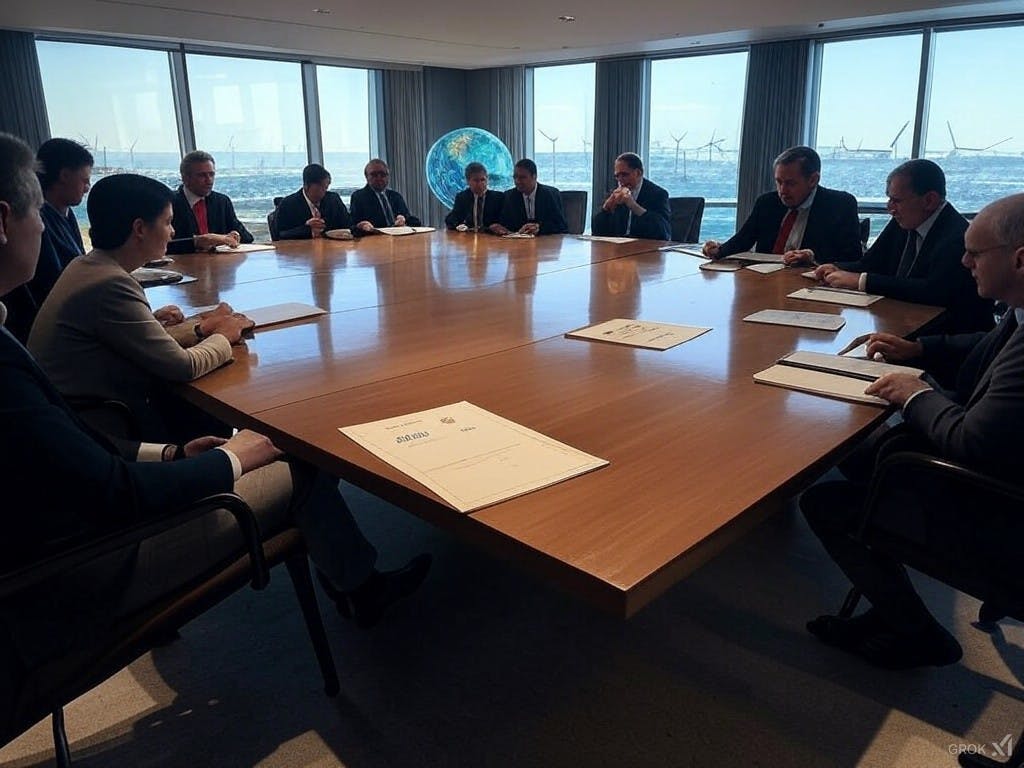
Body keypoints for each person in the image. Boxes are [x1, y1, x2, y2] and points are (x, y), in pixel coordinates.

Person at [0, 133, 432, 663]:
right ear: (4, 221)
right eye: (35, 212)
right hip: (96, 559)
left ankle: (350, 579)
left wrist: (175, 451)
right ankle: (362, 588)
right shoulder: (42, 336)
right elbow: (114, 484)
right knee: (302, 461)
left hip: (106, 472)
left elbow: (80, 447)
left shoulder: (77, 280)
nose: (46, 226)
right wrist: (231, 455)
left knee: (239, 434)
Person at [800, 192, 1024, 670]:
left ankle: (914, 632)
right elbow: (985, 341)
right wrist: (918, 352)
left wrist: (916, 394)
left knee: (825, 501)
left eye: (976, 254)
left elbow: (971, 442)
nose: (964, 263)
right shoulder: (1019, 312)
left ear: (1020, 259)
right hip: (997, 467)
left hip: (1001, 507)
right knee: (860, 448)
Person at [28, 173, 256, 444]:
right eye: (168, 222)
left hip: (74, 417)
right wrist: (225, 334)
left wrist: (200, 327)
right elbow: (183, 367)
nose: (173, 232)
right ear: (139, 229)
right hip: (104, 429)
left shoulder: (87, 266)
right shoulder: (111, 285)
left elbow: (128, 341)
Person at [813, 159, 994, 334]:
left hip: (943, 338)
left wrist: (861, 281)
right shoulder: (904, 220)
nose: (890, 208)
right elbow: (869, 263)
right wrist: (836, 267)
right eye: (889, 199)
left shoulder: (957, 236)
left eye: (897, 201)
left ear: (929, 200)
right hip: (897, 321)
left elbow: (932, 291)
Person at [0, 138, 92, 343]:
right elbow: (54, 284)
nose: (40, 226)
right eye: (35, 210)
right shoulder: (49, 221)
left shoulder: (67, 215)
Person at [702, 146, 861, 265]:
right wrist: (718, 251)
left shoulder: (840, 205)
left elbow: (852, 257)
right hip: (764, 281)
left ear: (813, 180)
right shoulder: (767, 203)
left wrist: (813, 257)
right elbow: (743, 240)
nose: (782, 191)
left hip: (811, 285)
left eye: (790, 183)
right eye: (779, 182)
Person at [167, 150, 254, 254]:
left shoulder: (222, 202)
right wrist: (197, 241)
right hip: (181, 265)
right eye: (202, 175)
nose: (209, 180)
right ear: (185, 178)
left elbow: (247, 238)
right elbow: (159, 244)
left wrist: (236, 236)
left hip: (219, 266)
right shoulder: (169, 203)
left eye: (211, 174)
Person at [591, 152, 671, 240]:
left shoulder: (658, 194)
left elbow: (663, 232)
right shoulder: (617, 194)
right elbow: (597, 232)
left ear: (638, 173)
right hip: (620, 248)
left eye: (624, 175)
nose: (620, 180)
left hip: (646, 247)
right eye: (617, 176)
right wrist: (605, 209)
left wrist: (633, 205)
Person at [274, 163, 352, 240]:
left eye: (326, 187)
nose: (324, 192)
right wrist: (307, 229)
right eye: (320, 188)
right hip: (301, 250)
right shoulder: (288, 204)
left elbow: (348, 224)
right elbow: (280, 235)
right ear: (306, 186)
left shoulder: (333, 199)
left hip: (332, 248)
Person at [493, 158, 568, 236]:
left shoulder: (550, 194)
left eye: (522, 177)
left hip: (545, 243)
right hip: (518, 244)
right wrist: (500, 228)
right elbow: (506, 223)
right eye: (515, 177)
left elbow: (561, 225)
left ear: (534, 177)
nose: (517, 181)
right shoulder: (509, 196)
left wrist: (539, 227)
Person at [350, 158, 422, 234]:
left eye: (383, 174)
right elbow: (353, 226)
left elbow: (409, 219)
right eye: (374, 175)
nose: (379, 178)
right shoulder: (359, 197)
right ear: (366, 177)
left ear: (388, 176)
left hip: (399, 238)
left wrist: (404, 222)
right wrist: (361, 226)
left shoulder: (395, 196)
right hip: (375, 239)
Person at [445, 162, 503, 232]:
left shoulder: (498, 197)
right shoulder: (462, 197)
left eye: (483, 180)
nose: (480, 184)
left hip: (491, 238)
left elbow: (503, 222)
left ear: (487, 179)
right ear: (468, 181)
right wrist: (459, 225)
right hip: (469, 238)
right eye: (476, 180)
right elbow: (451, 220)